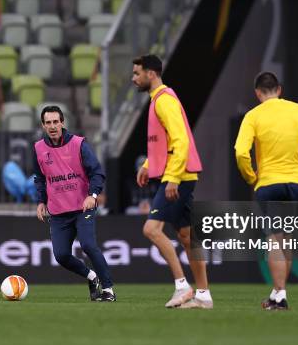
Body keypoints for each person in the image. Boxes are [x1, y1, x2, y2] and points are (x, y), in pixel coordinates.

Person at [235, 71, 298, 310]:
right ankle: (277, 295)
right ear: (279, 89)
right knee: (285, 239)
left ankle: (281, 296)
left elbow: (240, 151)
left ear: (258, 93)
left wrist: (250, 176)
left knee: (274, 240)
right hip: (295, 185)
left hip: (268, 183)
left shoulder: (253, 115)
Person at [132, 55, 212, 309]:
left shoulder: (164, 101)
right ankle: (204, 296)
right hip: (179, 174)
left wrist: (173, 179)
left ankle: (182, 286)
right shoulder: (160, 99)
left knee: (151, 230)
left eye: (137, 73)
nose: (134, 78)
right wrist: (147, 165)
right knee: (187, 237)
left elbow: (181, 141)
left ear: (151, 74)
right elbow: (163, 142)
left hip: (177, 176)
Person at [32, 105, 115, 302]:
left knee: (88, 245)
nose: (52, 126)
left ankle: (108, 289)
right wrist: (41, 201)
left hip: (82, 207)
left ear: (62, 122)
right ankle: (91, 276)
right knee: (61, 255)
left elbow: (97, 172)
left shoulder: (79, 144)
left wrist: (92, 195)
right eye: (48, 123)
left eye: (55, 122)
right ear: (43, 125)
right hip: (58, 211)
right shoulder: (38, 149)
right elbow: (40, 178)